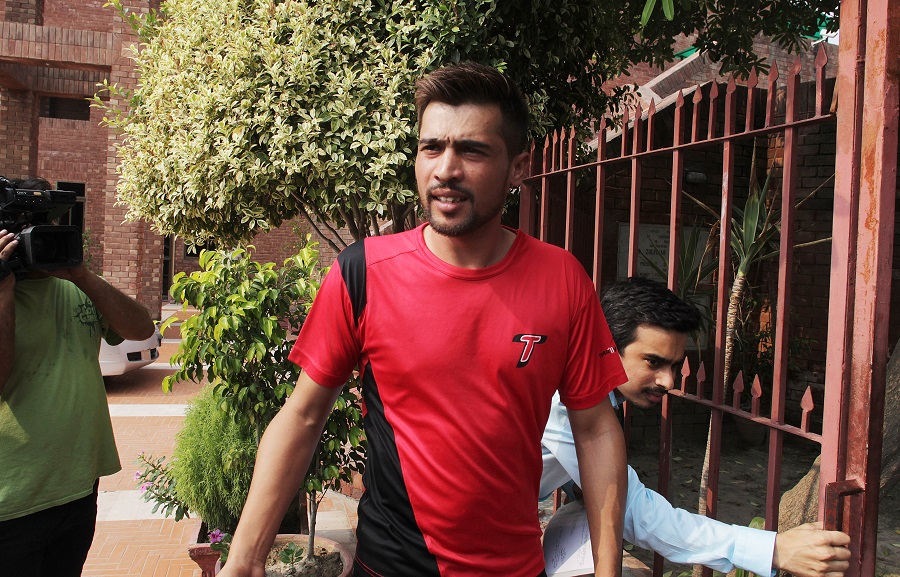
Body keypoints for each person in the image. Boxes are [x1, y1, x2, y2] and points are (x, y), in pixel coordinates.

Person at [218, 62, 629, 577]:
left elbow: (595, 430)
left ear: (518, 167)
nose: (445, 170)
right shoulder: (363, 272)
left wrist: (609, 569)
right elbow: (302, 416)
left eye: (472, 150)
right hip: (389, 565)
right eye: (431, 148)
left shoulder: (562, 279)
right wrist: (244, 558)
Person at [540, 276, 852, 577]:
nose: (668, 381)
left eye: (674, 365)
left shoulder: (596, 399)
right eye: (653, 362)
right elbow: (636, 511)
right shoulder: (563, 403)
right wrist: (774, 550)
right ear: (607, 349)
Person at [0, 178, 156, 577]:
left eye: (46, 225)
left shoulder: (76, 286)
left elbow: (141, 330)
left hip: (78, 488)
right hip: (13, 502)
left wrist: (82, 275)